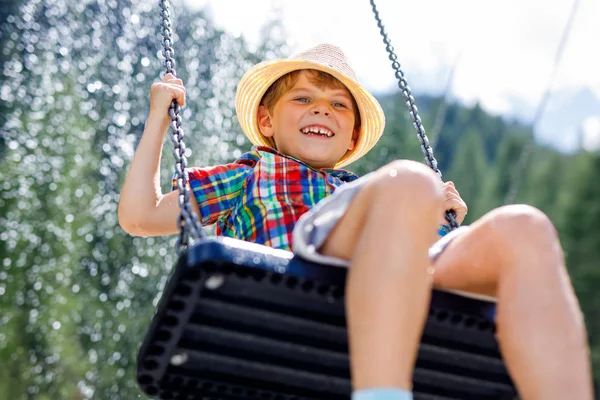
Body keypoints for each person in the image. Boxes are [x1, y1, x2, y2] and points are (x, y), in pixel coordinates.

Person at [118, 43, 594, 400]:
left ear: (350, 138)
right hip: (293, 284)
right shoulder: (248, 174)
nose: (322, 108)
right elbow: (140, 216)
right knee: (409, 182)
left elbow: (425, 258)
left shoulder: (373, 193)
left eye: (338, 104)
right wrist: (159, 116)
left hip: (390, 280)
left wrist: (445, 224)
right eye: (302, 99)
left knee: (524, 227)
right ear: (266, 122)